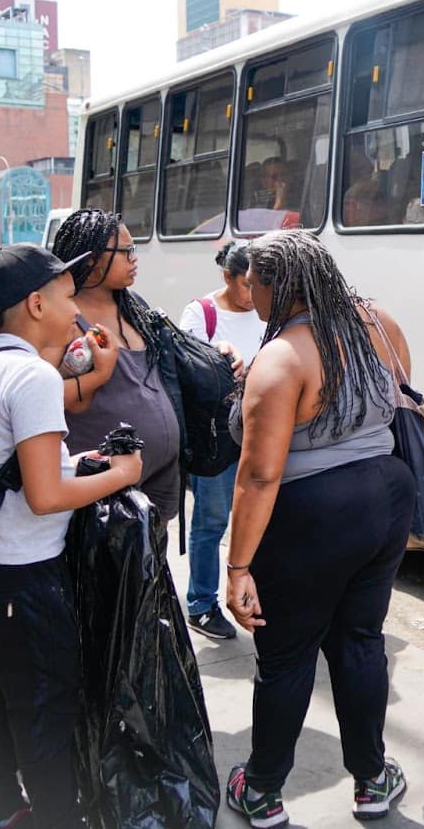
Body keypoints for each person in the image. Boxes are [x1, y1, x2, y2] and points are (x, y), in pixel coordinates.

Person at [222, 230, 413, 828]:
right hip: (385, 494)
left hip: (311, 513)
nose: (248, 294)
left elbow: (258, 476)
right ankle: (372, 780)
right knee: (360, 641)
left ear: (279, 287)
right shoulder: (378, 321)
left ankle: (262, 791)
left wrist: (238, 567)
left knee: (286, 656)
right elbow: (400, 398)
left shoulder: (281, 357)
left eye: (253, 284)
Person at [0, 242, 144, 829]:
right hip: (25, 572)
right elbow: (44, 498)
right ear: (37, 303)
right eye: (69, 296)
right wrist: (120, 474)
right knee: (45, 705)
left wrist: (79, 462)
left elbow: (18, 467)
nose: (77, 309)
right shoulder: (32, 377)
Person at [49, 208, 183, 521]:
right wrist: (99, 375)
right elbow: (44, 393)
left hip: (160, 477)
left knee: (150, 567)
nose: (134, 258)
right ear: (92, 258)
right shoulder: (63, 317)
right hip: (105, 485)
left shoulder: (133, 305)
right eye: (126, 251)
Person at [179, 239, 265, 640]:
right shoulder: (202, 314)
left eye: (259, 284)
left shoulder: (268, 310)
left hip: (261, 431)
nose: (253, 294)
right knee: (211, 522)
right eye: (246, 284)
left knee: (260, 518)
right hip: (217, 438)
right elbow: (187, 369)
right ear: (227, 277)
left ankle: (255, 597)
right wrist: (221, 357)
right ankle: (201, 604)